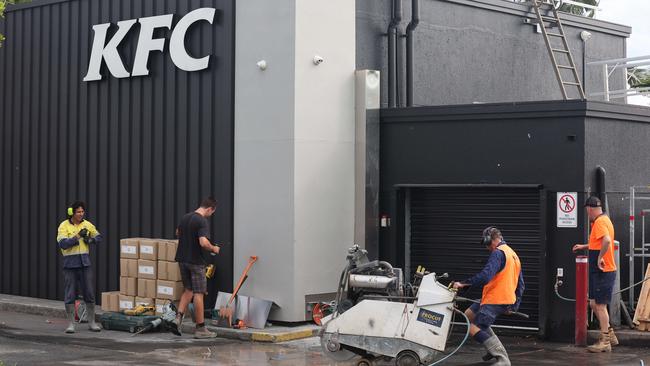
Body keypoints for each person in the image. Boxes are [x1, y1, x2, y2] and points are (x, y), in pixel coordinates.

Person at [452, 227, 525, 366]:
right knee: (469, 315)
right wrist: (514, 305)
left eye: (486, 243)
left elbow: (485, 276)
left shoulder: (498, 253)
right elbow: (521, 284)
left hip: (496, 299)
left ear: (489, 240)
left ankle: (503, 359)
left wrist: (463, 284)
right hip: (497, 297)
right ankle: (491, 349)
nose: (486, 248)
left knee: (474, 329)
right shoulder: (512, 254)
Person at [572, 196, 618, 352]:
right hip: (600, 270)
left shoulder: (599, 222)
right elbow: (599, 241)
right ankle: (609, 333)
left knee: (599, 305)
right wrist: (584, 246)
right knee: (593, 303)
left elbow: (606, 241)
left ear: (589, 209)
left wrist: (599, 258)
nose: (587, 213)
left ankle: (605, 340)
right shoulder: (604, 220)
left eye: (587, 211)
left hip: (603, 270)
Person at [173, 196, 221, 339]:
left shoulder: (185, 218)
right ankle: (200, 329)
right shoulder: (201, 221)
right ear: (209, 209)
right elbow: (203, 242)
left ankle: (177, 319)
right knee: (199, 293)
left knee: (188, 290)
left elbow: (177, 232)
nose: (211, 215)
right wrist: (214, 248)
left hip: (182, 260)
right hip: (196, 262)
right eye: (212, 212)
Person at [56, 201, 103, 333]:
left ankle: (92, 322)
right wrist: (77, 237)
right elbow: (63, 244)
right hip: (70, 264)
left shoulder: (87, 224)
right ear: (72, 212)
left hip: (84, 263)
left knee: (89, 292)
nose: (81, 214)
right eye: (78, 212)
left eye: (82, 211)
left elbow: (99, 236)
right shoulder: (63, 226)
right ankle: (71, 324)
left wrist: (91, 240)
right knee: (70, 293)